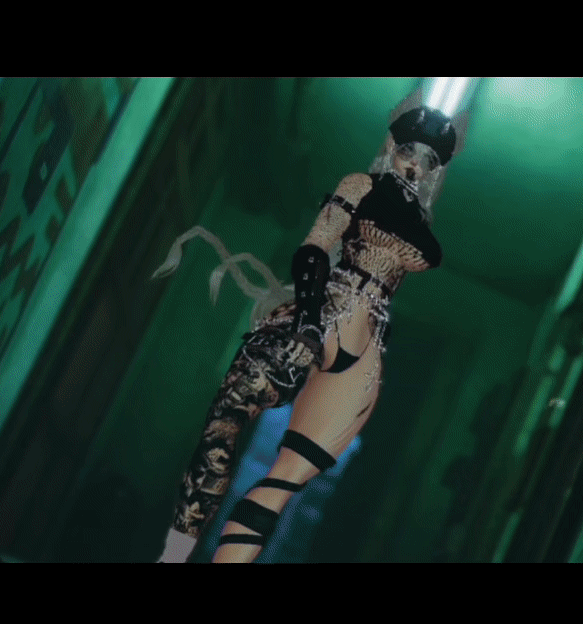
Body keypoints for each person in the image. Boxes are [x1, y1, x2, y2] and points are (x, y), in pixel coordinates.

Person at [155, 92, 466, 563]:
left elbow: (420, 245)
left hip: (364, 352)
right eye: (408, 150)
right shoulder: (361, 185)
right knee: (226, 420)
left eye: (429, 160)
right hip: (323, 314)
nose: (415, 165)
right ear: (391, 146)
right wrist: (305, 320)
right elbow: (315, 247)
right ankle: (174, 556)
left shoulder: (419, 219)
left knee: (282, 483)